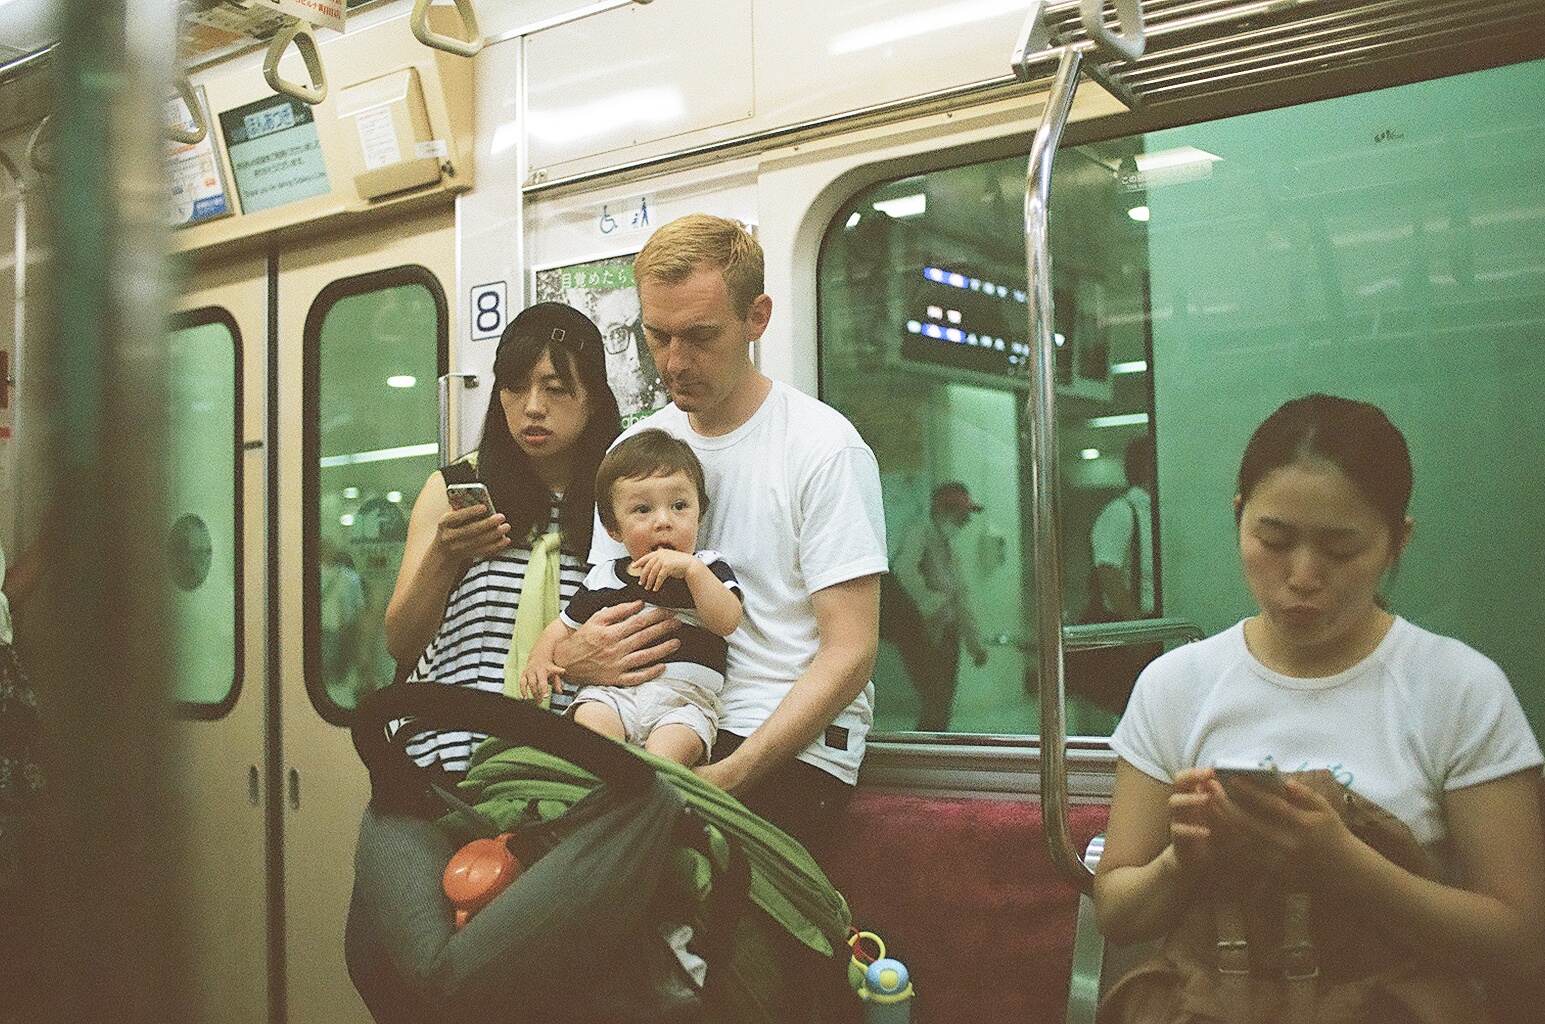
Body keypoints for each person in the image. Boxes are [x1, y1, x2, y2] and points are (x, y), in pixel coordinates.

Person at [1092, 394, 1545, 1022]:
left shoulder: (1458, 689)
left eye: (1340, 550)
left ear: (1397, 542)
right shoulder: (1176, 686)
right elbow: (1117, 911)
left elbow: (1521, 944)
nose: (1303, 576)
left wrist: (1342, 861)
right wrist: (1181, 862)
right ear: (1239, 518)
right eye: (1274, 540)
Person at [552, 213, 888, 850]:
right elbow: (606, 600)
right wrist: (571, 657)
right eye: (657, 337)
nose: (675, 362)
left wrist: (730, 776)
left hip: (782, 741)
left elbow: (851, 653)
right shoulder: (634, 453)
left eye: (701, 337)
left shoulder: (823, 448)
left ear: (757, 318)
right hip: (656, 714)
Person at [382, 301, 624, 774]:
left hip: (580, 754)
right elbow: (400, 644)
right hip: (446, 752)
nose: (532, 407)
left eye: (555, 389)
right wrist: (443, 556)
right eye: (514, 387)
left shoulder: (625, 497)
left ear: (593, 397)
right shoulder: (455, 489)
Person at [522, 429, 742, 767]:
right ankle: (608, 780)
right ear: (613, 528)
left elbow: (727, 621)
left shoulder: (707, 567)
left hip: (683, 702)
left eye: (679, 506)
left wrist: (692, 571)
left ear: (699, 515)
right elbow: (563, 626)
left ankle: (645, 786)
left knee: (667, 755)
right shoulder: (605, 577)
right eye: (642, 509)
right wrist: (539, 658)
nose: (663, 521)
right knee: (591, 721)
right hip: (612, 694)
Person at [888, 481, 988, 731]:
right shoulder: (920, 535)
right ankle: (926, 746)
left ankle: (934, 742)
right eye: (961, 515)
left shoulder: (949, 550)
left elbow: (961, 600)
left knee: (942, 702)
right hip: (923, 632)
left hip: (946, 634)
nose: (966, 522)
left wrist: (975, 645)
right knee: (934, 698)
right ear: (943, 512)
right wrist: (931, 604)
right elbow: (904, 570)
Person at [1089, 434, 1155, 621]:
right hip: (1133, 622)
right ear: (1146, 467)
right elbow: (1107, 571)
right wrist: (1136, 624)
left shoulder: (1155, 513)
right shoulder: (1121, 511)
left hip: (1155, 620)